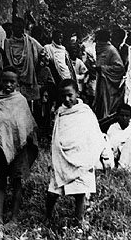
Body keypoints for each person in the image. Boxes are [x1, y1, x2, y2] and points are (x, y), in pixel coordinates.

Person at [46, 79, 109, 224]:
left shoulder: (85, 112)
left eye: (70, 95)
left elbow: (95, 134)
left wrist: (103, 156)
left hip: (81, 156)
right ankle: (48, 216)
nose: (67, 99)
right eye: (63, 96)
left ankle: (79, 219)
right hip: (63, 156)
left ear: (77, 94)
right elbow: (56, 135)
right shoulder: (60, 113)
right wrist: (54, 157)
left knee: (80, 191)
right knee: (53, 191)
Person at [0, 66, 38, 223]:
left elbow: (26, 123)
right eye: (5, 81)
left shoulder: (20, 100)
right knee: (1, 181)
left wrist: (24, 138)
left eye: (12, 82)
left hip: (19, 148)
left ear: (17, 83)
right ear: (1, 81)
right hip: (0, 146)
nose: (8, 85)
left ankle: (14, 217)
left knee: (17, 182)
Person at [3, 17, 44, 104]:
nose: (17, 29)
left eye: (19, 27)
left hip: (28, 78)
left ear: (22, 28)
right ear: (13, 28)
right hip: (13, 78)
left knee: (27, 103)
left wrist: (36, 67)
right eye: (15, 27)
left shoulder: (30, 41)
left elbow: (42, 52)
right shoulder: (7, 42)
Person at [93, 29, 125, 122]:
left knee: (106, 107)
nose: (97, 42)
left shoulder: (111, 50)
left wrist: (103, 69)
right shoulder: (99, 48)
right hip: (100, 81)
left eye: (99, 39)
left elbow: (120, 68)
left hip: (108, 85)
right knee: (98, 105)